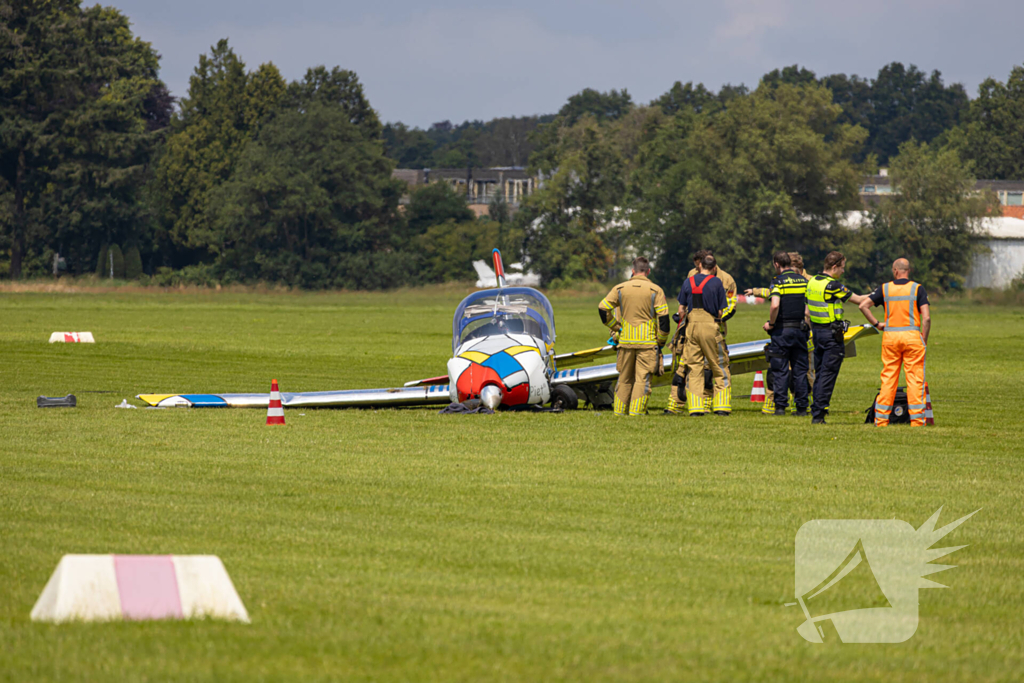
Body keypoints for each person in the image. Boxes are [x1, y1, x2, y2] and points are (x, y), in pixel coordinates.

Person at [858, 258, 931, 427]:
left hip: (890, 338)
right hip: (912, 338)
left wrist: (877, 324)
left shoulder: (885, 288)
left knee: (889, 378)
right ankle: (917, 421)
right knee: (915, 379)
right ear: (908, 271)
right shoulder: (917, 288)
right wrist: (924, 339)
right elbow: (926, 318)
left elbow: (863, 306)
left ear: (895, 271)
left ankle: (881, 419)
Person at [598, 257, 670, 416]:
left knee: (624, 378)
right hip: (647, 343)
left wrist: (615, 327)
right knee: (642, 379)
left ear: (633, 271)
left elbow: (603, 308)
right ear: (648, 271)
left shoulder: (620, 288)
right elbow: (664, 320)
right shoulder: (655, 290)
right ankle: (636, 412)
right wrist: (661, 341)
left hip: (625, 342)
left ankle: (619, 412)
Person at [805, 251, 870, 424]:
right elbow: (858, 300)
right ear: (834, 267)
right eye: (842, 267)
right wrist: (879, 294)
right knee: (828, 376)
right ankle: (819, 414)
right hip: (831, 336)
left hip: (817, 333)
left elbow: (807, 312)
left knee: (820, 373)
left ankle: (816, 409)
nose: (843, 271)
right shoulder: (833, 285)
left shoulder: (812, 282)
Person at [676, 254, 729, 415]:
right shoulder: (717, 282)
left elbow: (681, 309)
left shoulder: (688, 281)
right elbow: (720, 311)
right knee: (719, 365)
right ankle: (721, 407)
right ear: (714, 268)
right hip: (709, 326)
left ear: (700, 266)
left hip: (691, 327)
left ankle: (695, 408)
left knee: (694, 367)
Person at [685, 249, 737, 412]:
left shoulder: (726, 279)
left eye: (698, 266)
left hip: (706, 328)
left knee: (701, 368)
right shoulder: (692, 275)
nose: (697, 270)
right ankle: (718, 406)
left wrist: (718, 321)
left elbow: (731, 305)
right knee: (716, 367)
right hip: (706, 328)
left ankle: (697, 407)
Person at [763, 252, 810, 416]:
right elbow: (807, 309)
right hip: (800, 330)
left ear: (777, 264)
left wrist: (771, 324)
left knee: (780, 370)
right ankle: (802, 407)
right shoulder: (803, 281)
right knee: (800, 370)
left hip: (782, 330)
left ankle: (780, 407)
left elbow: (775, 305)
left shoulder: (778, 281)